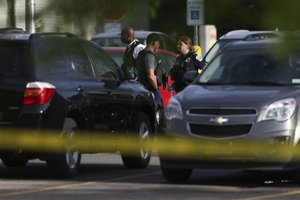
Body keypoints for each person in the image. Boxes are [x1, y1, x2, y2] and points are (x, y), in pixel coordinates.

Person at [135, 33, 162, 109]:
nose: (159, 46)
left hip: (141, 87)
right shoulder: (149, 56)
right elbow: (151, 76)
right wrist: (156, 90)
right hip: (150, 89)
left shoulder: (141, 54)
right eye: (158, 43)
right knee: (155, 111)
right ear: (154, 43)